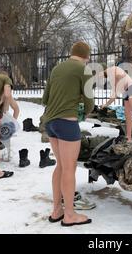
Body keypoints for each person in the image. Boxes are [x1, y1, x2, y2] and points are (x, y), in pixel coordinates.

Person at [42, 41, 94, 226]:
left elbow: (45, 98)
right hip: (67, 123)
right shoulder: (84, 70)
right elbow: (89, 103)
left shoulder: (56, 68)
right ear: (87, 57)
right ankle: (70, 215)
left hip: (50, 122)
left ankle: (57, 210)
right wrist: (84, 111)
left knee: (61, 166)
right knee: (70, 168)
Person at [101, 65, 132, 143]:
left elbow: (120, 75)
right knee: (127, 114)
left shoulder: (114, 69)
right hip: (126, 91)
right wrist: (106, 104)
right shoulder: (112, 80)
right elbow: (114, 96)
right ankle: (128, 136)